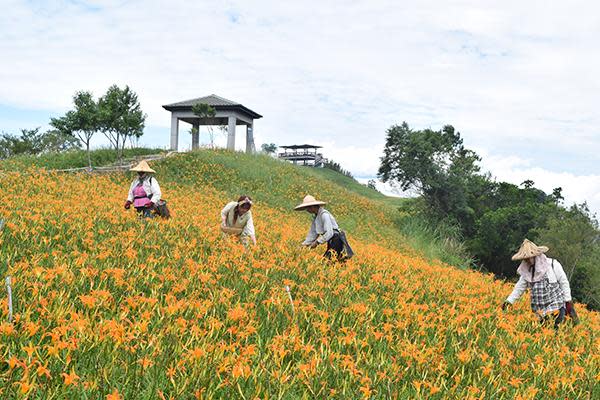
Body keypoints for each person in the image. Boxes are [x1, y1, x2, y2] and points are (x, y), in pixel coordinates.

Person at [502, 239, 578, 328]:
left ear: (535, 255)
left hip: (556, 306)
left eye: (528, 258)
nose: (526, 261)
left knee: (554, 332)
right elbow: (519, 288)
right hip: (539, 312)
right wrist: (509, 301)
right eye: (524, 259)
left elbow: (563, 282)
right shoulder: (527, 270)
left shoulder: (552, 264)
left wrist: (568, 301)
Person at [295, 195, 354, 261]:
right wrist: (304, 245)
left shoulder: (324, 215)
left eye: (307, 208)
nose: (307, 210)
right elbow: (312, 234)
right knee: (331, 261)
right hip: (331, 241)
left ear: (312, 207)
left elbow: (329, 233)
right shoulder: (316, 218)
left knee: (327, 262)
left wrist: (317, 242)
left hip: (336, 240)